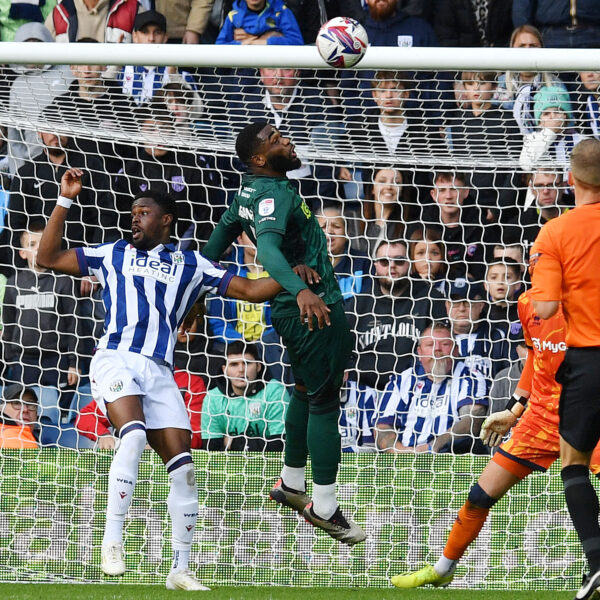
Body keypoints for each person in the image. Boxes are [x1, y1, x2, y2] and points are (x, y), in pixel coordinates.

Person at [36, 168, 310, 590]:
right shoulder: (112, 253)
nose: (134, 218)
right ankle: (112, 542)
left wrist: (296, 274)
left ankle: (180, 569)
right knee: (131, 436)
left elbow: (252, 291)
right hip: (116, 359)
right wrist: (65, 199)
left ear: (165, 220)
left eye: (142, 212)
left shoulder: (191, 264)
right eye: (132, 213)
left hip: (160, 371)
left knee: (183, 467)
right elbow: (46, 258)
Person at [203, 121, 366, 546]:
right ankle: (326, 507)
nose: (286, 140)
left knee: (304, 392)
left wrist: (197, 288)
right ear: (258, 159)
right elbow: (269, 250)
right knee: (326, 401)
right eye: (275, 140)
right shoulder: (272, 193)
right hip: (313, 308)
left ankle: (292, 482)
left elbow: (217, 241)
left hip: (290, 310)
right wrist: (303, 293)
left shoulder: (248, 191)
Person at [391, 286, 600, 592]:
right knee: (480, 495)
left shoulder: (588, 303)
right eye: (535, 263)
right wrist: (514, 409)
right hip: (540, 418)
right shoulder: (528, 303)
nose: (538, 269)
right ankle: (442, 569)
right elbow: (534, 358)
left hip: (587, 411)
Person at [530, 138, 600, 599]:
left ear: (570, 179)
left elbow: (547, 305)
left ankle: (597, 562)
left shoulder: (555, 232)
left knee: (574, 462)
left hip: (591, 360)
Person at [2, 222, 82, 425]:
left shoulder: (63, 280)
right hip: (24, 360)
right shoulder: (13, 283)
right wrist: (11, 359)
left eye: (43, 243)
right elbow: (9, 324)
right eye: (32, 243)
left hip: (56, 359)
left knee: (55, 415)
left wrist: (74, 363)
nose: (38, 248)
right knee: (26, 412)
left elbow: (74, 324)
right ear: (22, 253)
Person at [347, 239, 446, 391]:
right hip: (364, 391)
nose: (392, 266)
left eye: (399, 261)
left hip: (417, 389)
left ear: (410, 265)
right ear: (375, 266)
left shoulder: (431, 299)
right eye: (384, 262)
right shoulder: (357, 305)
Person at [375, 321, 488, 454]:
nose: (437, 349)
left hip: (452, 459)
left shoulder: (470, 377)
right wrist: (399, 451)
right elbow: (382, 426)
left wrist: (433, 446)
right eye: (430, 344)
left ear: (456, 350)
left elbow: (472, 420)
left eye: (445, 344)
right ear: (419, 352)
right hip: (403, 458)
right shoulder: (402, 380)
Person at [6, 22, 73, 175]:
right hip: (34, 168)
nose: (32, 53)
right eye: (27, 48)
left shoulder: (66, 74)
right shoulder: (18, 85)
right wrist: (18, 174)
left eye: (37, 45)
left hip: (71, 161)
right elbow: (15, 138)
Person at [201, 341, 288, 451]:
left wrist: (235, 443)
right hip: (229, 467)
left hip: (272, 466)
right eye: (234, 364)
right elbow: (211, 448)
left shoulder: (275, 391)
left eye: (247, 363)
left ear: (258, 366)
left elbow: (280, 445)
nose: (241, 370)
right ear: (224, 370)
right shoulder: (212, 398)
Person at [495, 25, 567, 136]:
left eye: (533, 46)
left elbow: (568, 125)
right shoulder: (499, 83)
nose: (527, 50)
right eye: (522, 46)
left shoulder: (555, 84)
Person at [445, 277, 510, 378]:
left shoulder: (499, 337)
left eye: (468, 302)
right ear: (447, 306)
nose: (462, 308)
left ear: (480, 305)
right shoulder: (435, 338)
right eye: (456, 303)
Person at [519, 85, 584, 175]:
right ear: (539, 122)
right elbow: (525, 165)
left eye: (557, 112)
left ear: (566, 116)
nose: (552, 116)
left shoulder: (581, 141)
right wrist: (551, 132)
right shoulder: (532, 139)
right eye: (546, 114)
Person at [316, 204, 372, 303]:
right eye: (323, 226)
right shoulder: (306, 265)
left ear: (347, 233)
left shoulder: (364, 263)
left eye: (336, 226)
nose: (329, 231)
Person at [45, 0, 140, 42]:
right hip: (69, 82)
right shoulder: (59, 12)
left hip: (117, 82)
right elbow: (43, 62)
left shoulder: (131, 8)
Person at [216, 0, 303, 45]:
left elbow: (297, 42)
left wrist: (266, 42)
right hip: (244, 66)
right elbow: (220, 47)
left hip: (274, 65)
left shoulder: (282, 12)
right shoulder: (233, 16)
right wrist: (241, 44)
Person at [408, 227, 448, 295]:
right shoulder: (404, 285)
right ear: (412, 256)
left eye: (435, 253)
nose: (428, 258)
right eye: (420, 253)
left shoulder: (452, 283)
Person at [0, 384, 38, 449]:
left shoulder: (40, 436)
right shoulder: (8, 437)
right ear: (1, 409)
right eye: (17, 403)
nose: (25, 409)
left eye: (31, 404)